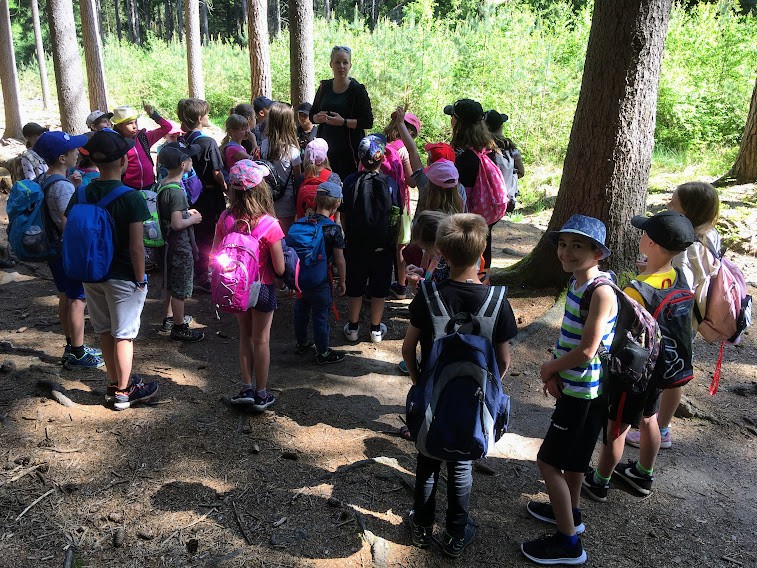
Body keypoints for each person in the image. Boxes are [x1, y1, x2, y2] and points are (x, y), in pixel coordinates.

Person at [402, 213, 516, 558]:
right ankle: (455, 533)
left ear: (441, 252)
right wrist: (489, 387)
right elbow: (504, 360)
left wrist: (419, 380)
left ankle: (422, 528)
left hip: (432, 395)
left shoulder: (428, 295)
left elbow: (408, 348)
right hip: (474, 401)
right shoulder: (496, 301)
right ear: (482, 252)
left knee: (427, 460)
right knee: (461, 464)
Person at [521, 215, 618, 566]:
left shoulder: (601, 291)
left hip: (585, 392)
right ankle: (570, 514)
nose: (566, 252)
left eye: (577, 246)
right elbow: (570, 338)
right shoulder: (578, 283)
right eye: (563, 244)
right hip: (579, 385)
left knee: (548, 462)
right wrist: (556, 368)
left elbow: (588, 349)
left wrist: (550, 368)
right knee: (575, 462)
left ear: (598, 253)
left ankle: (568, 544)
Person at [582, 211, 697, 504]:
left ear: (653, 245)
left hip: (633, 374)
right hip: (660, 369)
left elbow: (619, 332)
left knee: (616, 429)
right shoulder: (679, 276)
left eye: (645, 233)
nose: (641, 236)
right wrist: (648, 271)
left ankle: (599, 482)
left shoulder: (635, 291)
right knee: (650, 419)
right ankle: (643, 473)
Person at [626, 182, 721, 450]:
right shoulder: (710, 235)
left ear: (690, 212)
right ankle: (658, 425)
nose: (667, 205)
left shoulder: (688, 248)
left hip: (676, 319)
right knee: (674, 370)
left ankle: (659, 428)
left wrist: (650, 276)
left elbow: (678, 287)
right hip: (691, 317)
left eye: (674, 204)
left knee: (668, 372)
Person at [69, 130, 158, 410]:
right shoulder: (131, 197)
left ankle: (113, 382)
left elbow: (69, 224)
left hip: (91, 274)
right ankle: (124, 391)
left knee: (105, 331)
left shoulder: (82, 192)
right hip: (123, 275)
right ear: (123, 161)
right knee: (124, 335)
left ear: (95, 162)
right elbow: (136, 247)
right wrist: (140, 279)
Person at [212, 160, 285, 410]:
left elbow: (215, 253)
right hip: (262, 286)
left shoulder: (225, 219)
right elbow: (280, 268)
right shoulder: (269, 224)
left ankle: (246, 387)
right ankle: (261, 393)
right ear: (260, 188)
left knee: (245, 335)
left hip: (236, 286)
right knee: (261, 340)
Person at [32, 131, 104, 370]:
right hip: (68, 250)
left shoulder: (45, 179)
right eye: (73, 150)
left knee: (66, 295)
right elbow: (68, 221)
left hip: (54, 248)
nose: (77, 153)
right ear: (62, 158)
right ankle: (78, 353)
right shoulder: (62, 187)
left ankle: (71, 344)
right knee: (77, 299)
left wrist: (75, 187)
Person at [340, 134, 398, 343]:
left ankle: (353, 327)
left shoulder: (350, 181)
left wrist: (348, 235)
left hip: (356, 244)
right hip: (382, 246)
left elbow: (343, 213)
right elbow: (396, 215)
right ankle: (375, 329)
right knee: (379, 288)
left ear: (359, 157)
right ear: (382, 158)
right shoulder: (390, 183)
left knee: (355, 286)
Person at [446, 98, 506, 269]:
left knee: (465, 253)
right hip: (485, 214)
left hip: (464, 217)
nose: (451, 119)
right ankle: (483, 279)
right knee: (483, 245)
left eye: (452, 116)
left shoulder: (459, 154)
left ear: (458, 122)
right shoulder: (488, 149)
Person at [292, 181, 347, 365]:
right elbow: (339, 259)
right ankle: (323, 353)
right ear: (336, 204)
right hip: (321, 280)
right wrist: (342, 281)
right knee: (320, 316)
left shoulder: (302, 223)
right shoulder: (333, 229)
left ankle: (302, 343)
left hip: (300, 278)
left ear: (315, 200)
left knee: (301, 311)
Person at [155, 142, 205, 342]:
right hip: (179, 246)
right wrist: (193, 219)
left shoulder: (163, 183)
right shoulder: (176, 192)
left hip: (168, 245)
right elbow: (177, 224)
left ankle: (169, 318)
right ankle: (179, 327)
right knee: (180, 288)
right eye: (189, 158)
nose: (191, 161)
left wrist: (185, 212)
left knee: (171, 283)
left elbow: (171, 215)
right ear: (183, 164)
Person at [177, 98, 227, 292]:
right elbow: (217, 172)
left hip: (190, 194)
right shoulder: (208, 142)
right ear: (199, 118)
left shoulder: (184, 140)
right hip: (209, 195)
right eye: (206, 114)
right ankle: (203, 274)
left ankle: (195, 270)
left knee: (195, 233)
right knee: (209, 235)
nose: (208, 117)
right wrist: (226, 187)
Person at [310, 45, 374, 181]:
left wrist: (343, 122)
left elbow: (368, 121)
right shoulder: (324, 87)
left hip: (350, 153)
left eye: (345, 62)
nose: (341, 66)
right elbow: (312, 115)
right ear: (331, 64)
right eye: (337, 62)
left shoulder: (357, 90)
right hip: (325, 151)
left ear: (350, 65)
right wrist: (317, 118)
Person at [383, 110, 421, 300]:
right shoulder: (403, 149)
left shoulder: (381, 145)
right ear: (410, 132)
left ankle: (379, 283)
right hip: (400, 204)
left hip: (380, 204)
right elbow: (412, 182)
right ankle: (400, 286)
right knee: (400, 247)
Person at [260, 102, 302, 234]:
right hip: (287, 201)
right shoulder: (293, 151)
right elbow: (298, 178)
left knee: (270, 234)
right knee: (286, 233)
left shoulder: (264, 145)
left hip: (268, 198)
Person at [111, 104, 172, 191]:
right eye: (130, 123)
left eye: (135, 122)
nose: (135, 126)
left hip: (150, 185)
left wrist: (153, 114)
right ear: (119, 126)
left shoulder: (144, 138)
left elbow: (167, 127)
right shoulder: (116, 143)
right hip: (129, 188)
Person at [485, 109, 524, 211]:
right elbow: (521, 172)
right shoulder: (509, 146)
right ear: (500, 127)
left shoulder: (480, 146)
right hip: (506, 200)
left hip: (485, 200)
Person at [296, 138, 341, 220]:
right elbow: (337, 203)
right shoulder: (333, 177)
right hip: (326, 223)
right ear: (325, 157)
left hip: (304, 223)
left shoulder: (301, 178)